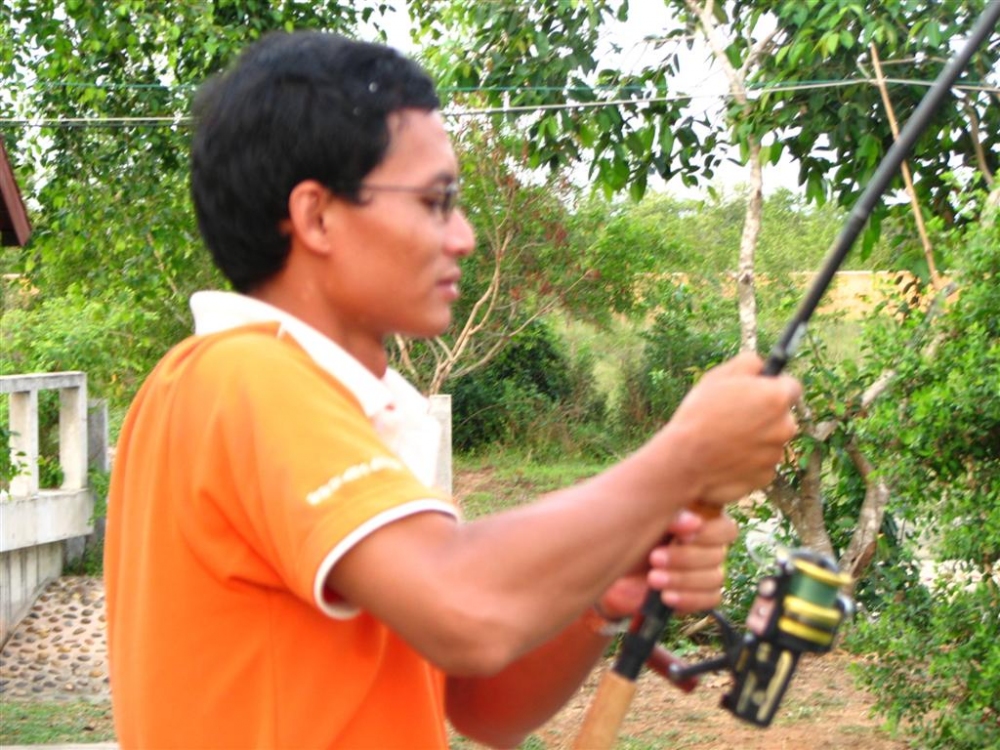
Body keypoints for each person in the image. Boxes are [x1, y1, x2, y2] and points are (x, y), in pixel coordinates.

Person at [103, 30, 802, 750]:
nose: (463, 236)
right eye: (437, 201)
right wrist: (683, 457)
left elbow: (482, 706)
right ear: (316, 216)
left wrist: (606, 593)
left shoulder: (340, 404)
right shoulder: (241, 377)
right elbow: (465, 607)